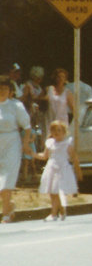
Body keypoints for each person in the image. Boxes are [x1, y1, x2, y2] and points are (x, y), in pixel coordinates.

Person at [0, 75, 32, 223]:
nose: (2, 91)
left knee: (6, 179)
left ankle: (5, 213)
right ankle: (9, 206)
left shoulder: (15, 105)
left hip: (11, 142)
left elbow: (27, 127)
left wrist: (25, 144)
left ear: (10, 91)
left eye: (5, 88)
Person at [34, 120, 81, 221]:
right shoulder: (50, 143)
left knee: (58, 191)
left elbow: (74, 158)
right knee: (52, 192)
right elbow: (44, 156)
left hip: (62, 169)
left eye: (59, 130)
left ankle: (54, 213)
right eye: (54, 130)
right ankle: (60, 211)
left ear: (64, 132)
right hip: (52, 168)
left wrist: (78, 172)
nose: (56, 132)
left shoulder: (67, 145)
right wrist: (33, 154)